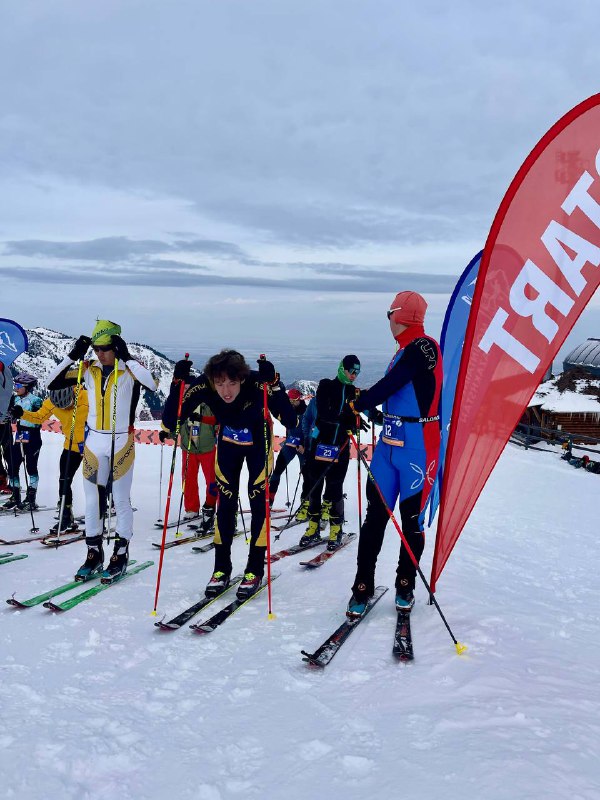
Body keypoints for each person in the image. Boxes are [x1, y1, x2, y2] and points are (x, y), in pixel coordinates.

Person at [161, 350, 299, 600]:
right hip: (227, 444)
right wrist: (176, 384)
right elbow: (173, 420)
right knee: (224, 505)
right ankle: (221, 569)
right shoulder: (205, 384)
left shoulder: (256, 382)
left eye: (232, 383)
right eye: (220, 383)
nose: (226, 390)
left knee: (258, 504)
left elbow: (290, 420)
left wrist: (274, 385)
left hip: (259, 443)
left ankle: (254, 569)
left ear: (242, 378)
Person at [346, 291, 442, 617]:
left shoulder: (423, 346)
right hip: (388, 445)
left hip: (418, 448)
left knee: (411, 520)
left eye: (389, 314)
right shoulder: (403, 350)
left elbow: (394, 383)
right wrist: (368, 408)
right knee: (375, 517)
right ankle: (362, 586)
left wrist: (359, 402)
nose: (388, 320)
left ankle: (405, 584)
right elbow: (397, 391)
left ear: (398, 315)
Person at [47, 320, 158, 581]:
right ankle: (93, 553)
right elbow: (52, 382)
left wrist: (127, 357)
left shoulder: (130, 370)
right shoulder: (88, 369)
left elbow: (152, 384)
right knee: (92, 500)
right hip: (94, 441)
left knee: (120, 499)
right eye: (96, 348)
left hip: (121, 441)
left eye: (105, 348)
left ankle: (120, 554)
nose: (100, 353)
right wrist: (73, 355)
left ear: (116, 347)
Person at [299, 355, 366, 552]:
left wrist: (363, 419)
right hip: (319, 446)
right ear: (342, 368)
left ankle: (336, 530)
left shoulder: (353, 392)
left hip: (341, 448)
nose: (354, 375)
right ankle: (313, 528)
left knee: (335, 488)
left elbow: (361, 410)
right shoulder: (326, 385)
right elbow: (324, 412)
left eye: (357, 372)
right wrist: (348, 419)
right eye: (351, 371)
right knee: (314, 487)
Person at [13, 385, 89, 532]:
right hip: (71, 445)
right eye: (60, 407)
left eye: (67, 406)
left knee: (95, 481)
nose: (64, 409)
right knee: (64, 480)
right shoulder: (51, 401)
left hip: (92, 444)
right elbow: (39, 417)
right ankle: (66, 516)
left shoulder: (87, 396)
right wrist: (22, 413)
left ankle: (100, 514)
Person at [2, 372, 43, 511]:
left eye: (19, 386)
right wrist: (9, 415)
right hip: (20, 435)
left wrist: (23, 415)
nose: (16, 388)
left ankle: (31, 498)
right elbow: (8, 415)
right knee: (12, 465)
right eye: (15, 385)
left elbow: (38, 419)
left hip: (33, 436)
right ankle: (15, 496)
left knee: (31, 467)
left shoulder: (36, 400)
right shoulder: (14, 399)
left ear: (27, 387)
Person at [178, 401, 218, 530]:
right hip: (188, 446)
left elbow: (218, 421)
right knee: (188, 478)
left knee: (212, 480)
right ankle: (191, 508)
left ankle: (211, 508)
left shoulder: (209, 403)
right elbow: (176, 422)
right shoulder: (183, 403)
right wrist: (169, 433)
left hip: (207, 447)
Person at [268, 388, 309, 510]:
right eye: (290, 400)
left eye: (294, 400)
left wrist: (305, 447)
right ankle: (269, 500)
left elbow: (310, 430)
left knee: (307, 476)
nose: (292, 403)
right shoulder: (288, 410)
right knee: (277, 471)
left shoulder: (306, 411)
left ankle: (306, 503)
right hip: (290, 445)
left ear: (299, 399)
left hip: (302, 447)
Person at [0, 361, 14, 495]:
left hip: (3, 421)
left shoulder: (3, 368)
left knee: (8, 453)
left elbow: (7, 393)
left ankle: (11, 482)